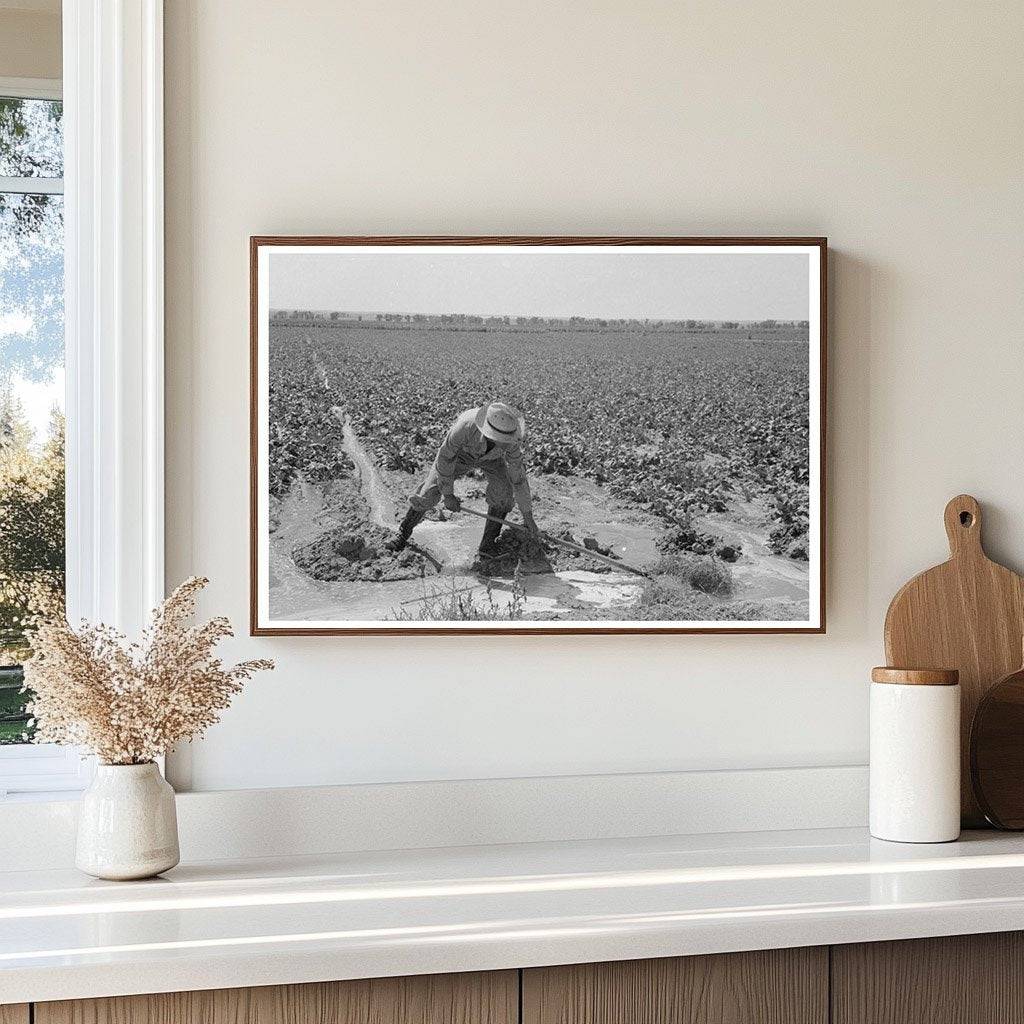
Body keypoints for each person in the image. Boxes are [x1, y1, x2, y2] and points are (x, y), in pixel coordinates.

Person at [386, 401, 539, 554]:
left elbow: (518, 479)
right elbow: (445, 458)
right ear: (490, 433)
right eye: (502, 440)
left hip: (493, 459)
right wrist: (448, 494)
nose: (507, 444)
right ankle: (402, 533)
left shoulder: (511, 440)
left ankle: (487, 546)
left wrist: (528, 516)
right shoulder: (465, 427)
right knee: (429, 493)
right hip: (460, 455)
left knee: (503, 493)